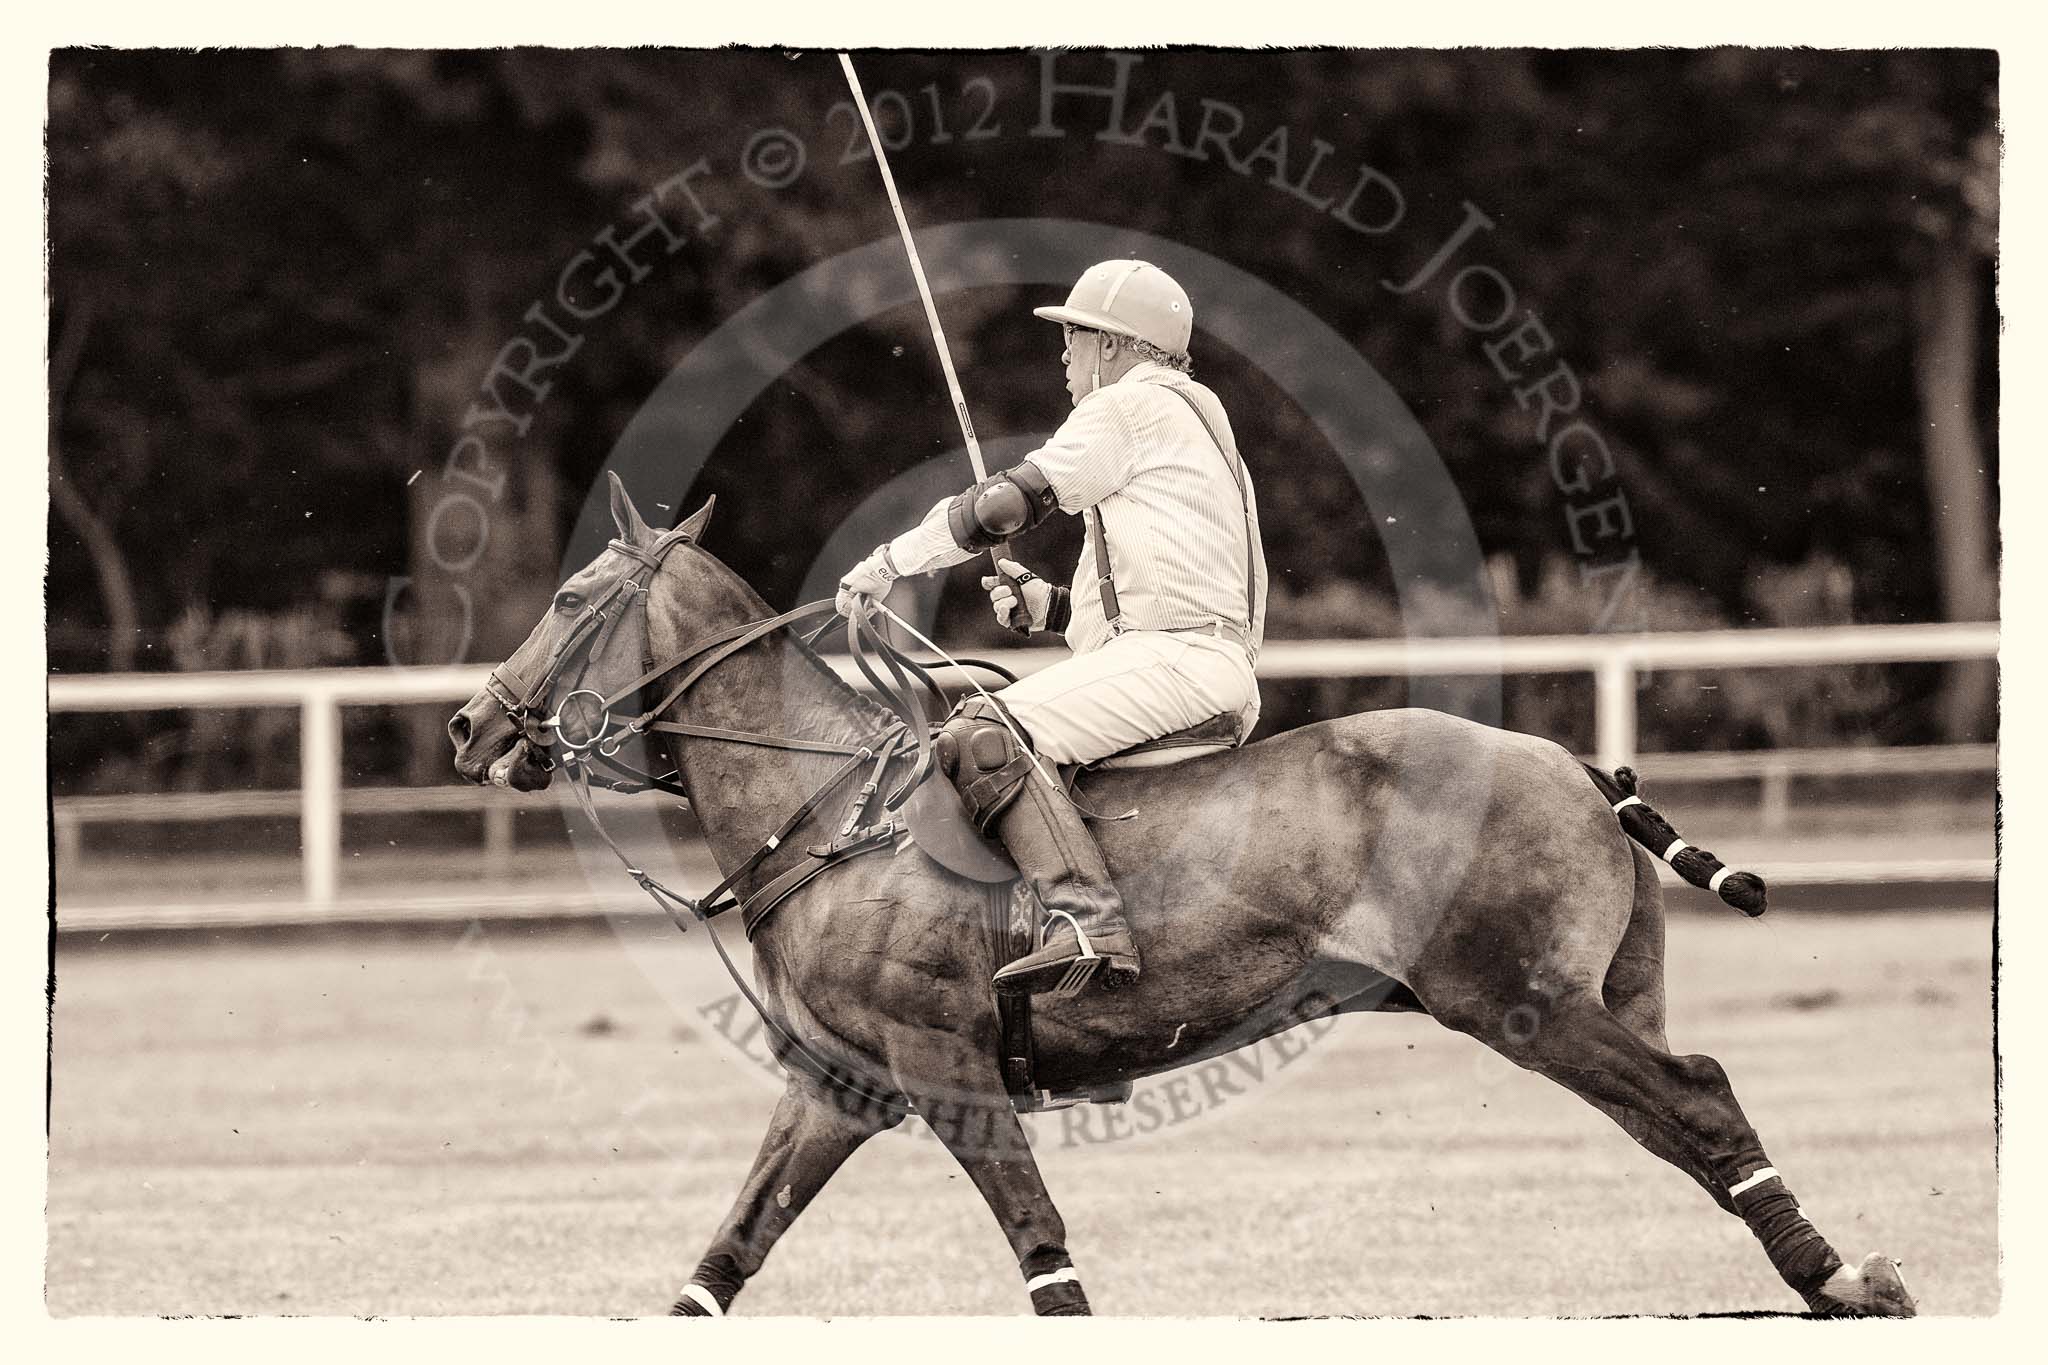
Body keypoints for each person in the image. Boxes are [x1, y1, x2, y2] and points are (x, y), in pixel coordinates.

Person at [836, 259, 1268, 998]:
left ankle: (1085, 923)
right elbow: (1166, 589)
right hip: (1197, 657)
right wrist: (1053, 609)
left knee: (980, 735)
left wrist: (887, 561)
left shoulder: (1126, 411)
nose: (1064, 358)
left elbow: (1003, 508)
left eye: (1073, 339)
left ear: (1112, 345)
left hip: (1180, 663)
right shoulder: (1201, 416)